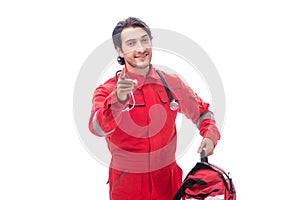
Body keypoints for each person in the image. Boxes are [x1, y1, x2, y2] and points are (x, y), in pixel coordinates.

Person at [88, 17, 221, 200]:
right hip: (127, 189)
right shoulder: (107, 90)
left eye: (145, 40)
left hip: (168, 186)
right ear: (119, 50)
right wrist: (118, 100)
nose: (141, 49)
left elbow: (203, 113)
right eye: (131, 43)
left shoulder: (171, 84)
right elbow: (97, 128)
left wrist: (210, 136)